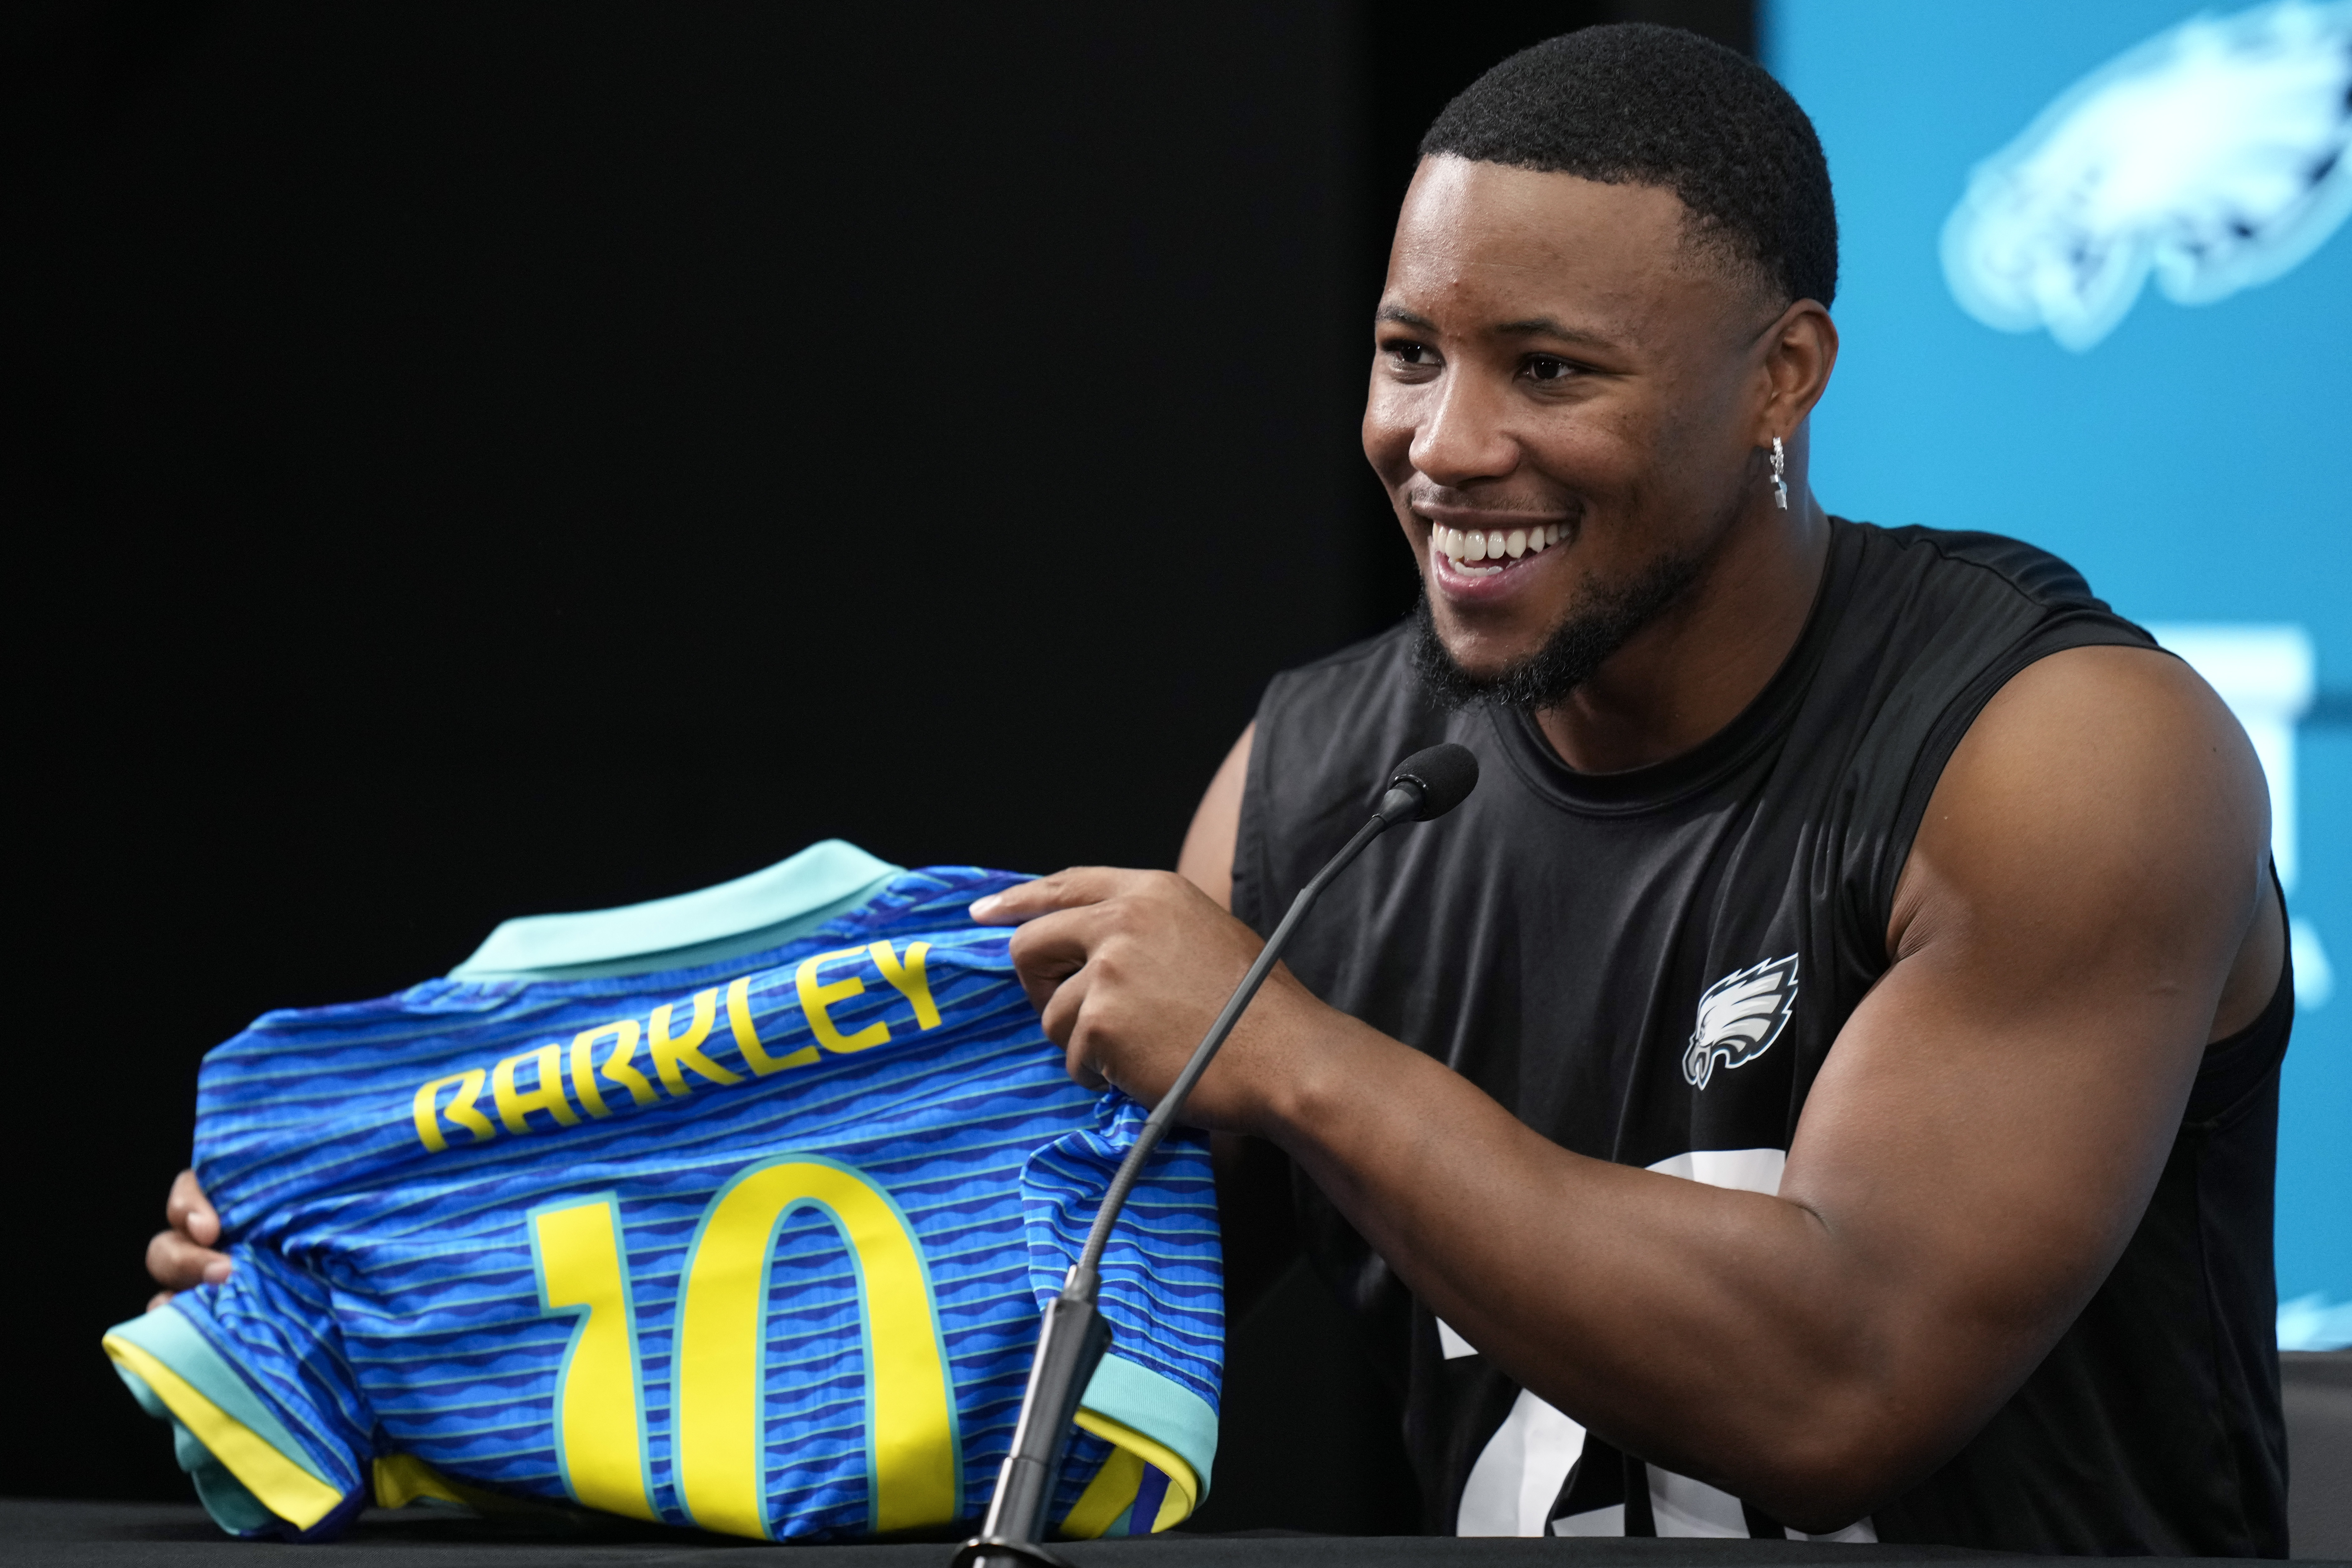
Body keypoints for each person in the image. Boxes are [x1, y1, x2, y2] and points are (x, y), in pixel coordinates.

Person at [152, 24, 2291, 1556]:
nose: (1444, 445)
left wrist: (1294, 1056)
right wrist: (399, 1287)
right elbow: (985, 1318)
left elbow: (1841, 1388)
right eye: (1403, 351)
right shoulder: (1324, 775)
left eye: (1548, 369)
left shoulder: (2058, 752)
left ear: (1783, 379)